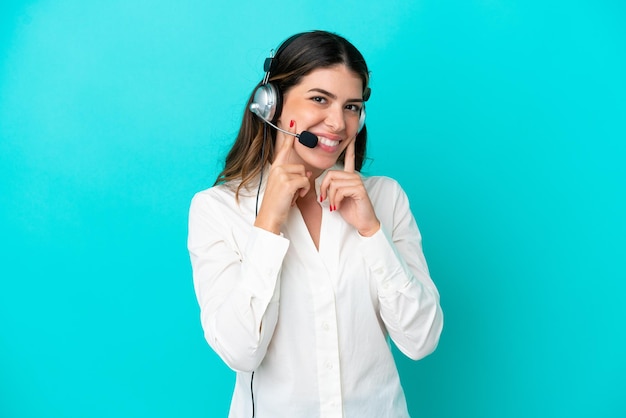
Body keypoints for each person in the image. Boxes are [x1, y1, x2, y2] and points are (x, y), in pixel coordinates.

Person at [188, 30, 443, 418]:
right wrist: (269, 223)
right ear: (270, 104)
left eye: (352, 106)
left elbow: (421, 340)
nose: (338, 124)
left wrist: (372, 232)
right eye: (319, 99)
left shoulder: (385, 199)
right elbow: (241, 351)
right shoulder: (218, 209)